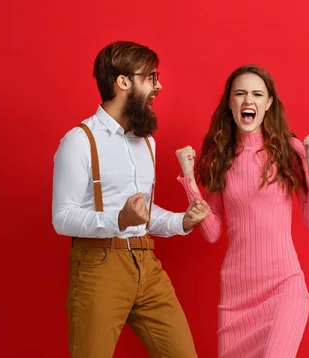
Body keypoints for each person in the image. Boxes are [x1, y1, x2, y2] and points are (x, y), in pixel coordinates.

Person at [52, 41, 210, 358]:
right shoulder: (80, 140)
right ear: (123, 82)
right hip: (99, 266)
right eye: (150, 77)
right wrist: (118, 221)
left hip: (147, 263)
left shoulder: (145, 143)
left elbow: (143, 212)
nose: (158, 85)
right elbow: (62, 217)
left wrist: (182, 220)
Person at [175, 65, 309, 358]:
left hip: (284, 286)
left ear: (268, 103)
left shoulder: (288, 150)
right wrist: (189, 181)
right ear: (230, 103)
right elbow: (212, 231)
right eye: (240, 93)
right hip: (236, 298)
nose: (249, 100)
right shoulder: (221, 157)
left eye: (257, 94)